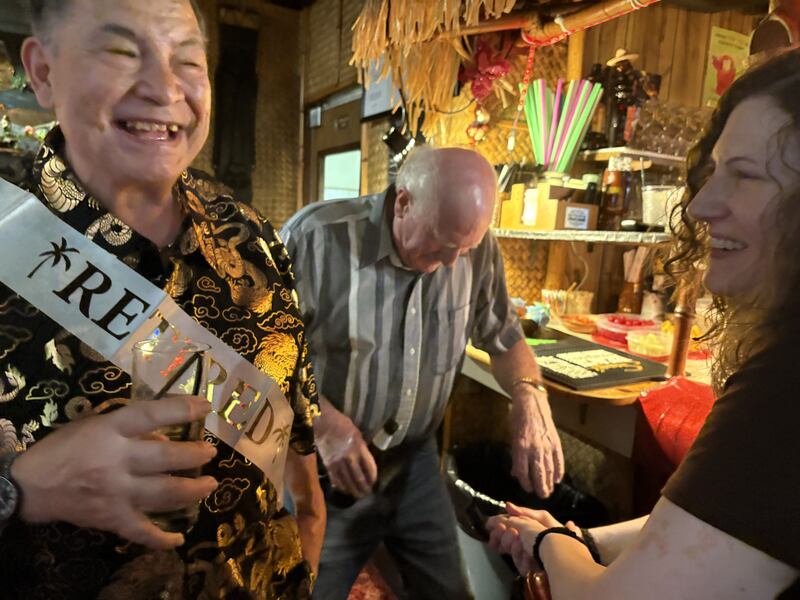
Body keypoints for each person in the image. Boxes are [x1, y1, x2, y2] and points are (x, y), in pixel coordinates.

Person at [0, 0, 325, 597]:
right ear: (42, 72)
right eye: (123, 51)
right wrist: (21, 489)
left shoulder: (252, 238)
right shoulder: (5, 232)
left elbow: (294, 429)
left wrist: (309, 531)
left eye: (189, 61)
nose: (164, 88)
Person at [486, 48, 800, 599]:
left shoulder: (786, 385)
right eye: (714, 170)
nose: (701, 205)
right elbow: (712, 524)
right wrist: (578, 537)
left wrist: (547, 545)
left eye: (745, 176)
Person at [280, 145, 564, 599]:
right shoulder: (315, 237)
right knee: (304, 590)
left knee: (448, 592)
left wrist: (530, 395)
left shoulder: (474, 247)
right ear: (403, 202)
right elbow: (260, 350)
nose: (452, 262)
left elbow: (505, 336)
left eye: (464, 248)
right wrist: (322, 421)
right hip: (324, 466)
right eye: (442, 242)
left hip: (415, 463)